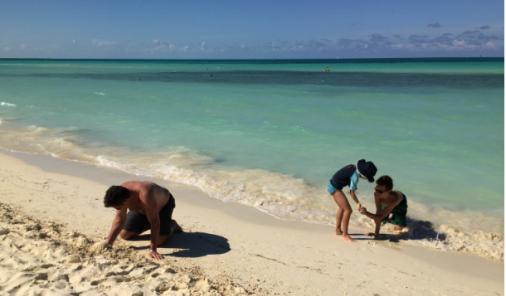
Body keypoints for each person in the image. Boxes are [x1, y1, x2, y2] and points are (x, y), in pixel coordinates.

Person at [102, 181, 181, 259]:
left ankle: (172, 225)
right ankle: (148, 220)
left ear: (126, 200)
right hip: (142, 210)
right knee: (124, 235)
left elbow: (154, 222)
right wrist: (109, 242)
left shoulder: (145, 194)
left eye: (118, 207)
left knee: (160, 241)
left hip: (163, 207)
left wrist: (153, 249)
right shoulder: (120, 193)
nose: (117, 209)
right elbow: (120, 218)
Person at [327, 159, 377, 241]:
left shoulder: (352, 167)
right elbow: (352, 192)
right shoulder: (355, 177)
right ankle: (345, 234)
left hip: (332, 185)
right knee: (348, 210)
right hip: (335, 189)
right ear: (363, 175)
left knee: (342, 208)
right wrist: (358, 203)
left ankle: (338, 230)